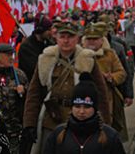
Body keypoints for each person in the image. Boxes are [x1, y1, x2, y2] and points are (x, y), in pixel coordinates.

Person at [22, 21, 111, 153]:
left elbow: (100, 93)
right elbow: (34, 94)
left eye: (70, 37)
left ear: (77, 39)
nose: (66, 40)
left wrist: (105, 124)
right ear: (56, 38)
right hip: (50, 119)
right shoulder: (45, 59)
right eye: (62, 36)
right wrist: (29, 124)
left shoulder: (87, 60)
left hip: (79, 120)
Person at [42, 73, 125, 154]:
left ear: (95, 108)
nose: (81, 111)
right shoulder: (57, 134)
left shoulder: (110, 136)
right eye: (77, 106)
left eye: (87, 107)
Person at [0, 43, 28, 154]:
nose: (11, 58)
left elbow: (30, 100)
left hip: (15, 132)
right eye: (7, 55)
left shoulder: (19, 75)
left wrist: (24, 91)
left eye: (12, 54)